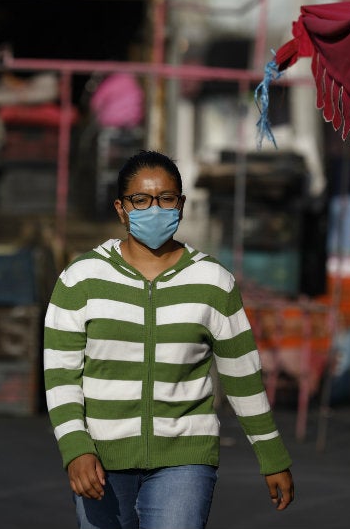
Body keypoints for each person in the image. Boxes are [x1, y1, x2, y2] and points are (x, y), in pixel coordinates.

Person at [43, 150, 295, 529]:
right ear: (121, 208)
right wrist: (75, 449)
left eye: (166, 199)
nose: (154, 209)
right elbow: (60, 374)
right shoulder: (80, 279)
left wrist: (272, 455)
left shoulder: (213, 282)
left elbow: (242, 375)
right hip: (100, 460)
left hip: (185, 459)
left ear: (181, 204)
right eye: (141, 200)